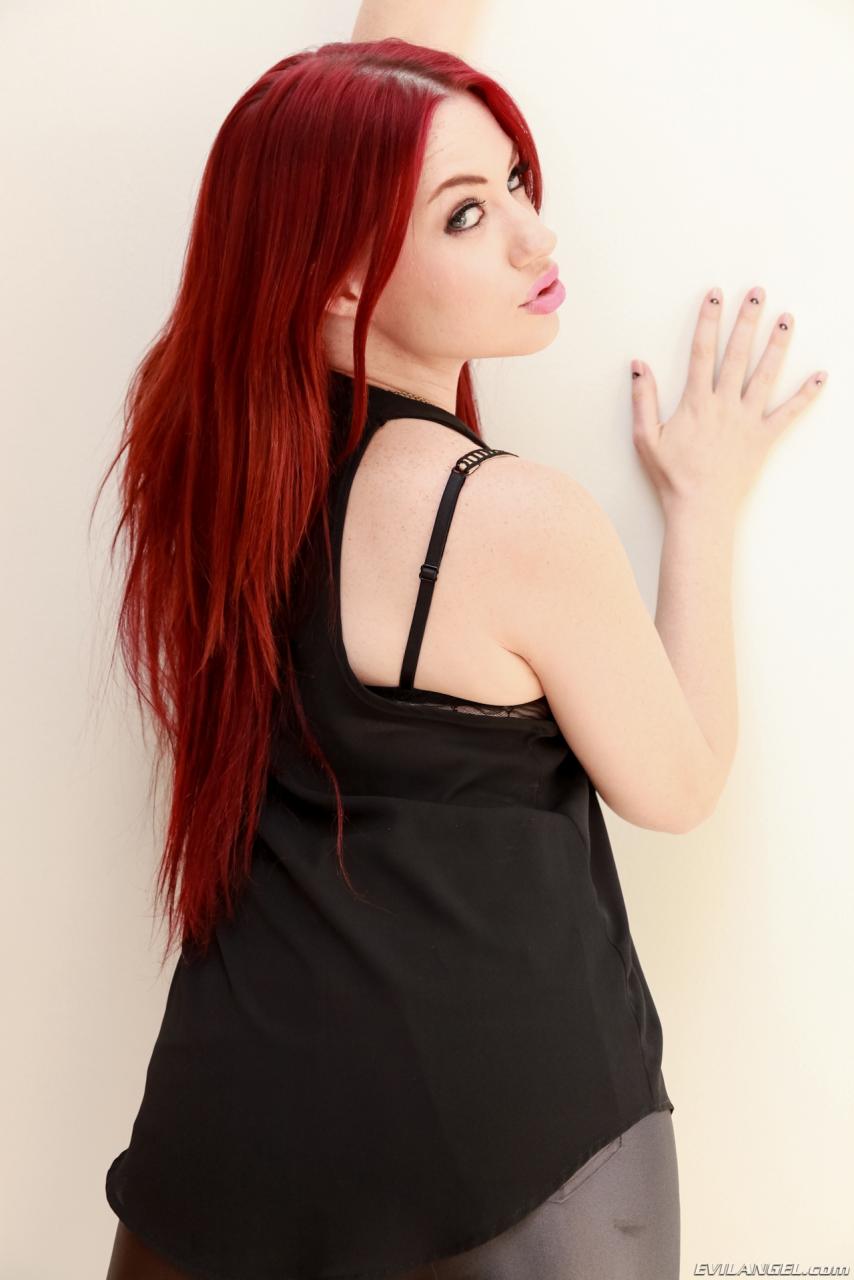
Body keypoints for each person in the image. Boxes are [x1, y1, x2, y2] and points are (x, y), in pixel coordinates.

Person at [101, 17, 827, 1280]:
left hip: (223, 1149)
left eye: (515, 182)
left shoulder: (208, 479)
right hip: (511, 1158)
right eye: (466, 215)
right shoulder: (504, 518)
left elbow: (345, 138)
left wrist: (406, 127)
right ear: (339, 282)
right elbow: (677, 781)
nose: (534, 237)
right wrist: (701, 506)